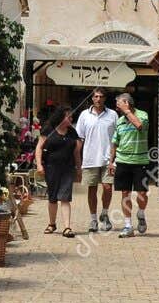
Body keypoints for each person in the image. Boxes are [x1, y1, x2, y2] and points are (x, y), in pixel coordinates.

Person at [73, 88, 118, 232]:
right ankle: (93, 220)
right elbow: (79, 139)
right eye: (96, 96)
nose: (98, 99)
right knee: (92, 189)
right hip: (90, 158)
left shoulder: (113, 115)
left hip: (108, 159)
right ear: (92, 98)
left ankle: (104, 214)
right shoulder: (84, 115)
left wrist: (115, 159)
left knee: (108, 187)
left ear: (105, 98)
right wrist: (77, 161)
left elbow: (118, 138)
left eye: (101, 96)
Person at [108, 91, 152, 237]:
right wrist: (111, 162)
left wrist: (127, 111)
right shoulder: (120, 121)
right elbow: (115, 143)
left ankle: (141, 213)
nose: (117, 108)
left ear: (127, 103)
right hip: (122, 161)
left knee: (141, 193)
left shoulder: (142, 115)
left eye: (119, 105)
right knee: (125, 193)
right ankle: (128, 225)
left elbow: (139, 125)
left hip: (140, 161)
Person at [34, 108, 80, 237]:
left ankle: (67, 227)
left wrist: (79, 168)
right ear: (61, 117)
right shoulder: (48, 130)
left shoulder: (72, 132)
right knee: (53, 197)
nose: (71, 119)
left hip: (68, 168)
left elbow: (76, 152)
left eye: (72, 117)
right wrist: (39, 165)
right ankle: (52, 224)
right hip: (51, 167)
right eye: (68, 117)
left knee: (65, 197)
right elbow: (39, 148)